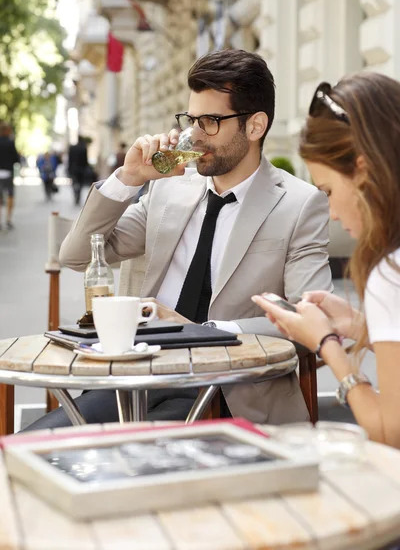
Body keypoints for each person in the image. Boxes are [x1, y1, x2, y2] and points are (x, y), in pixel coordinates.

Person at [26, 49, 332, 431]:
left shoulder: (300, 204)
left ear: (255, 126)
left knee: (133, 454)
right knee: (38, 442)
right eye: (191, 119)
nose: (196, 135)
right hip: (139, 374)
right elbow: (75, 256)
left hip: (227, 388)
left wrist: (205, 332)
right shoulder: (168, 191)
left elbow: (312, 320)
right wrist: (129, 179)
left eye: (210, 121)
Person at [253, 72, 400, 448]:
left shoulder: (391, 272)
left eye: (329, 191)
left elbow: (389, 431)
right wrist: (358, 325)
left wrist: (325, 343)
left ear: (364, 170)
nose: (331, 212)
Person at [0, 122, 20, 229]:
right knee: (10, 196)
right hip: (8, 173)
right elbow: (16, 159)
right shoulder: (10, 142)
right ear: (8, 131)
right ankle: (8, 219)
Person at [68, 135, 89, 205]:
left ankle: (75, 194)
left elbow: (69, 160)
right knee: (80, 184)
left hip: (73, 169)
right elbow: (86, 161)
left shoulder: (72, 148)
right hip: (81, 170)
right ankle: (78, 196)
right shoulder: (84, 148)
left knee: (74, 182)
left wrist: (69, 169)